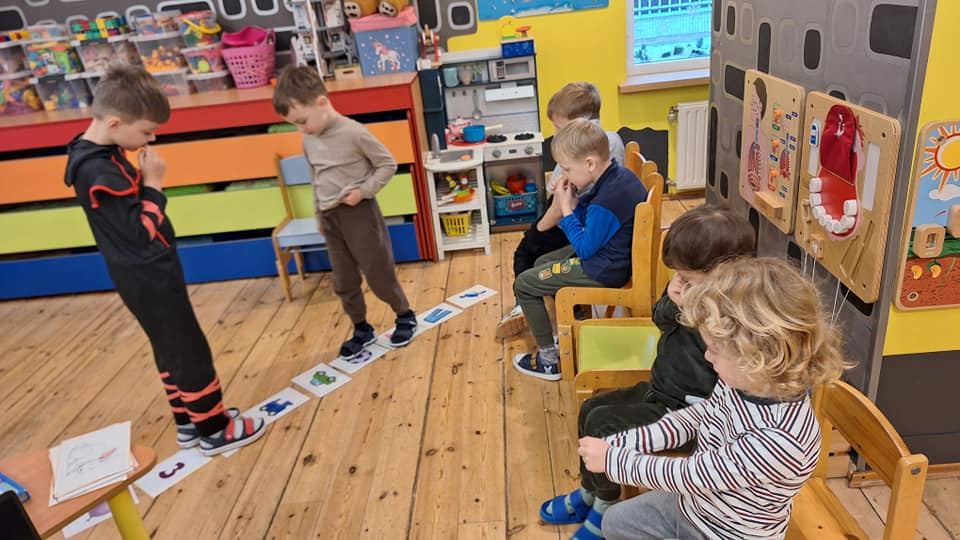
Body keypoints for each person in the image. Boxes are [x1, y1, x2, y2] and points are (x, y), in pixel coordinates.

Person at [64, 65, 264, 456]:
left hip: (143, 272)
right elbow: (140, 231)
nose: (151, 139)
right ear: (115, 122)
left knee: (169, 346)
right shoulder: (97, 169)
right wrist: (154, 183)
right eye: (146, 131)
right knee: (188, 349)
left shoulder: (94, 149)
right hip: (148, 273)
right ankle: (214, 428)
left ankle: (189, 420)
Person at [580, 257, 847, 540]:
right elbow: (699, 416)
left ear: (756, 359)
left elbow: (691, 475)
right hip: (695, 505)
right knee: (615, 522)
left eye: (715, 350)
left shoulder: (780, 440)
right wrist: (629, 441)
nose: (707, 356)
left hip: (726, 533)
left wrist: (614, 461)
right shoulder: (744, 383)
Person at [538, 205, 755, 536]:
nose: (680, 281)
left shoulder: (733, 317)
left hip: (688, 410)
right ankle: (591, 490)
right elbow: (660, 320)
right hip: (662, 390)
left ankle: (605, 502)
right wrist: (675, 299)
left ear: (722, 274)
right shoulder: (690, 288)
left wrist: (694, 308)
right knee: (591, 408)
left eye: (688, 278)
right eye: (677, 275)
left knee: (601, 423)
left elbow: (721, 386)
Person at [273, 66, 416, 358]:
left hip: (359, 214)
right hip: (330, 219)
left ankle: (404, 315)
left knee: (378, 272)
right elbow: (316, 177)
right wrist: (318, 214)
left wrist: (363, 191)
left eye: (302, 121)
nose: (301, 129)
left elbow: (387, 164)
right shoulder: (308, 139)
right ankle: (361, 328)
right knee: (343, 280)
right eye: (295, 125)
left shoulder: (354, 133)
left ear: (322, 103)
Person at [511, 119, 646, 381]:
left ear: (590, 163)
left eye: (568, 169)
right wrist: (574, 203)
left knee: (524, 285)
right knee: (540, 262)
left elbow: (584, 248)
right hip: (611, 259)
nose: (565, 175)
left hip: (603, 269)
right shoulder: (619, 177)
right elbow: (595, 225)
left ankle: (549, 360)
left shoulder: (606, 199)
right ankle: (570, 325)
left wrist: (566, 209)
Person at [497, 82, 626, 338]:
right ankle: (555, 306)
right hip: (576, 215)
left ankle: (532, 304)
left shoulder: (588, 151)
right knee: (536, 252)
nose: (556, 134)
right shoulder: (602, 144)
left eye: (558, 127)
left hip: (574, 220)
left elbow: (570, 215)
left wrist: (542, 226)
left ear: (581, 121)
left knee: (527, 251)